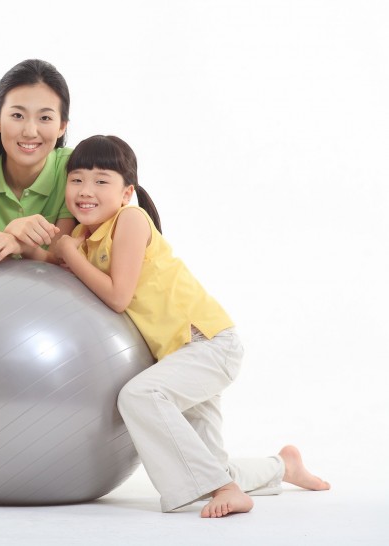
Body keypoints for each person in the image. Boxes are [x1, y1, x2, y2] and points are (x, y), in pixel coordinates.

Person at [48, 135, 330, 517]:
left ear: (127, 192)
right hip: (179, 356)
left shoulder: (130, 220)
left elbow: (117, 296)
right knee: (210, 464)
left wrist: (67, 251)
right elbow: (55, 262)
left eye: (101, 181)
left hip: (208, 343)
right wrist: (28, 243)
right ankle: (283, 466)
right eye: (77, 179)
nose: (86, 190)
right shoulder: (84, 239)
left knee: (139, 396)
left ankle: (227, 490)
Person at [0, 59, 76, 267]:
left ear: (62, 126)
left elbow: (60, 263)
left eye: (45, 118)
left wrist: (17, 242)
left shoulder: (72, 167)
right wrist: (12, 232)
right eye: (17, 115)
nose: (30, 131)